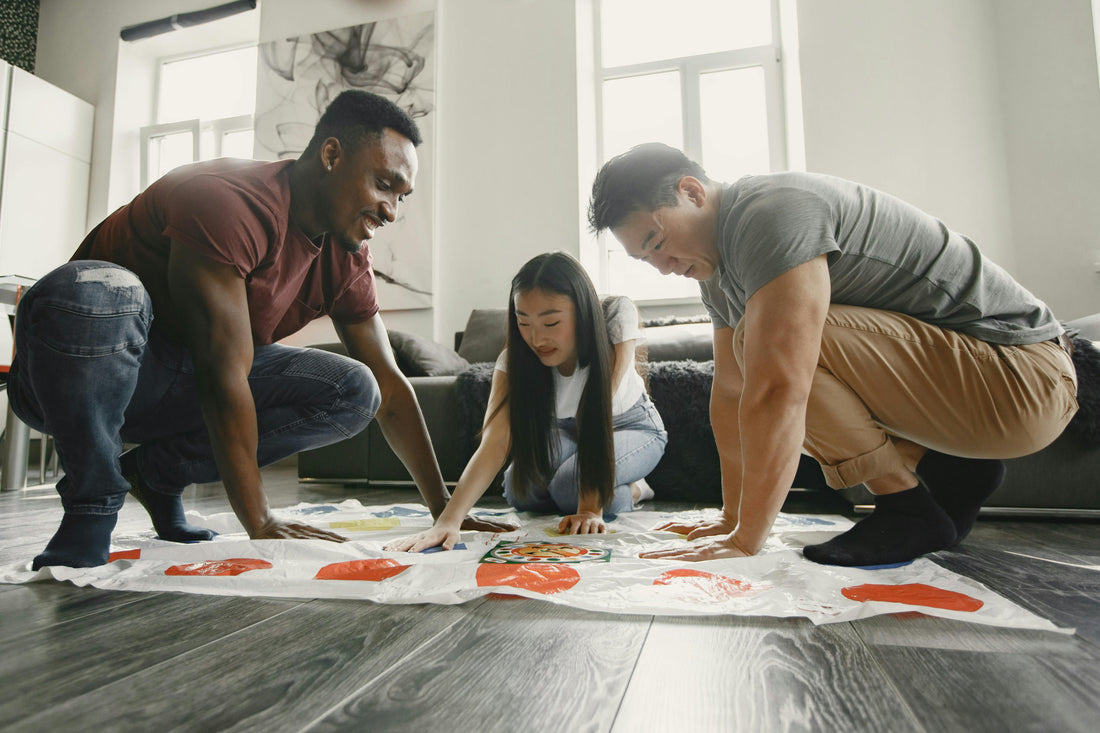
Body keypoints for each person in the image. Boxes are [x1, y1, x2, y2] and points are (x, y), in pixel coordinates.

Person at [10, 90, 510, 570]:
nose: (391, 211)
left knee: (357, 389)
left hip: (174, 390)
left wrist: (447, 509)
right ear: (332, 155)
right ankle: (91, 505)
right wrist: (260, 520)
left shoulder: (347, 256)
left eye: (401, 196)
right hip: (71, 376)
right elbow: (221, 370)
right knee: (106, 292)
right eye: (383, 185)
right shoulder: (229, 201)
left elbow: (391, 386)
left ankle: (156, 475)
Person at [587, 143, 1078, 567]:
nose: (663, 268)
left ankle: (906, 508)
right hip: (971, 393)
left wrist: (745, 541)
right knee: (752, 349)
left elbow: (779, 386)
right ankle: (951, 466)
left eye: (657, 242)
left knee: (771, 346)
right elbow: (731, 392)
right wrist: (729, 519)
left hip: (1025, 377)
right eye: (644, 259)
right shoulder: (717, 274)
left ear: (692, 193)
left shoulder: (771, 214)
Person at [385, 251, 668, 552]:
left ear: (583, 313)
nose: (536, 339)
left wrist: (589, 509)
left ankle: (636, 490)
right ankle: (610, 485)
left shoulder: (613, 326)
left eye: (551, 323)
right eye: (524, 322)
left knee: (569, 488)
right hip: (565, 429)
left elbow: (598, 416)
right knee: (520, 487)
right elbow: (495, 442)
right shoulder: (513, 361)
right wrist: (448, 521)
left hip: (627, 426)